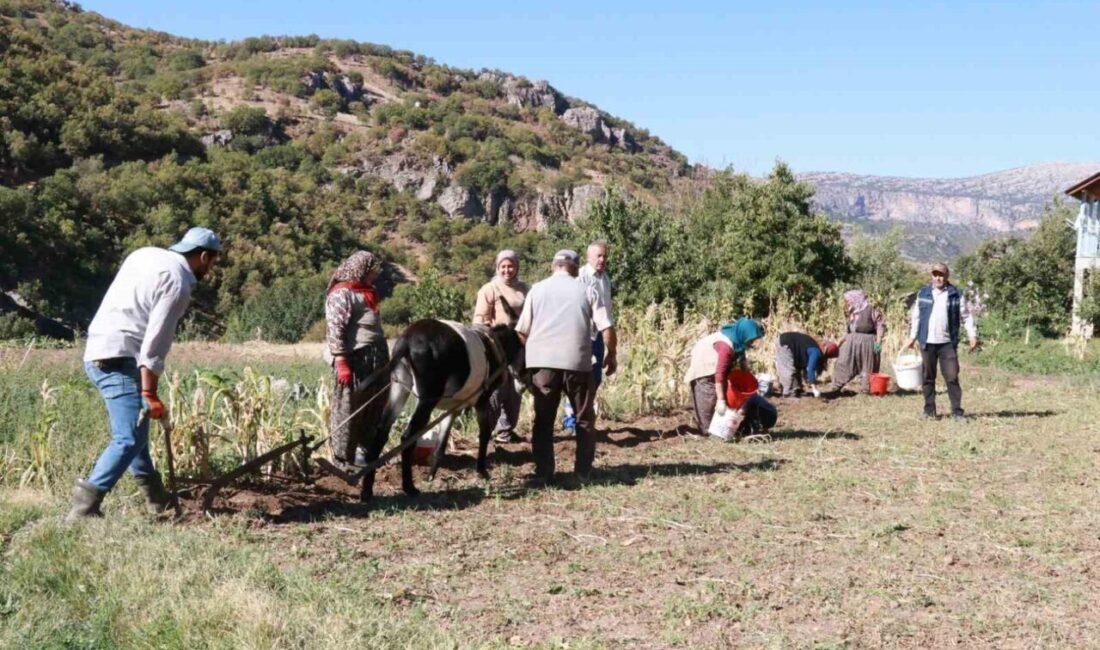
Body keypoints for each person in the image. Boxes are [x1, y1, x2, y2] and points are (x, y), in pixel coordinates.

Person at [69, 227, 221, 520]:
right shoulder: (178, 282)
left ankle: (158, 501)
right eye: (212, 262)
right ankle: (84, 508)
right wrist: (149, 392)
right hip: (120, 356)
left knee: (136, 433)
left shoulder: (145, 254)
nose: (211, 269)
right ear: (203, 256)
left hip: (99, 349)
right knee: (128, 438)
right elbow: (154, 343)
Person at [515, 249, 616, 486]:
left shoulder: (536, 290)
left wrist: (527, 360)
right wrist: (611, 355)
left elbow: (521, 332)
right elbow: (607, 327)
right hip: (578, 363)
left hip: (543, 365)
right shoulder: (587, 289)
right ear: (575, 267)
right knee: (583, 418)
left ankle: (544, 472)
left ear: (554, 266)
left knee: (543, 420)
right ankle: (581, 473)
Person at [325, 250, 391, 472]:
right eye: (372, 273)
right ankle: (343, 459)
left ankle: (364, 454)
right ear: (361, 270)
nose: (374, 277)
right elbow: (335, 329)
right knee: (349, 406)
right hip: (355, 359)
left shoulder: (368, 292)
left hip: (376, 358)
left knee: (374, 406)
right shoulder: (341, 294)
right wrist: (342, 362)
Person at [902, 262, 979, 419]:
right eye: (935, 274)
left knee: (951, 377)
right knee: (928, 377)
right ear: (931, 276)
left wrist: (972, 335)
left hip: (947, 343)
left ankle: (957, 412)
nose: (938, 278)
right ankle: (929, 410)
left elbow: (966, 316)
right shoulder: (923, 294)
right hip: (927, 342)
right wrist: (912, 337)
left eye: (941, 275)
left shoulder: (955, 294)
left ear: (946, 276)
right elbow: (916, 317)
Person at [473, 249, 529, 444]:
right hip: (497, 348)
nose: (507, 270)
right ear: (497, 267)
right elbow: (480, 321)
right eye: (503, 266)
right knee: (497, 390)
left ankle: (505, 430)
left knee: (516, 390)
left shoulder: (524, 288)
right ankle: (486, 433)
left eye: (511, 265)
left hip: (520, 347)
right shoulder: (489, 289)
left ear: (517, 267)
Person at [683, 317, 765, 436]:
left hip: (717, 368)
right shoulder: (725, 346)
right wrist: (721, 400)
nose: (751, 343)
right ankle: (708, 434)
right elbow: (719, 375)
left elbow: (741, 356)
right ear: (744, 334)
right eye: (750, 340)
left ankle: (722, 431)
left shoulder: (737, 337)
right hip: (704, 367)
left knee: (723, 400)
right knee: (708, 403)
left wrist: (746, 370)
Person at [563, 241, 614, 434]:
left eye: (604, 256)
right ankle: (570, 421)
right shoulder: (581, 277)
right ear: (588, 257)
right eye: (598, 256)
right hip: (582, 335)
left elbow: (606, 310)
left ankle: (583, 416)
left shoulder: (605, 279)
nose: (602, 260)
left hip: (598, 334)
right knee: (576, 379)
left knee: (595, 378)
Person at [829, 289, 886, 394]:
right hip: (851, 341)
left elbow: (880, 326)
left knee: (868, 365)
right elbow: (849, 330)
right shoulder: (852, 311)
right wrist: (840, 342)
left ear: (856, 298)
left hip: (868, 341)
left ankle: (866, 389)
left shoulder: (871, 309)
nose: (847, 302)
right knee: (843, 362)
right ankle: (836, 386)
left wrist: (878, 343)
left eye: (849, 300)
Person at [775, 332, 839, 398]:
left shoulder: (814, 347)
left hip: (792, 346)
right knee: (788, 370)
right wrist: (814, 389)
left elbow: (805, 367)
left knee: (797, 368)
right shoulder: (816, 352)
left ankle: (797, 389)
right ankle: (788, 394)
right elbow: (810, 369)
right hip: (785, 342)